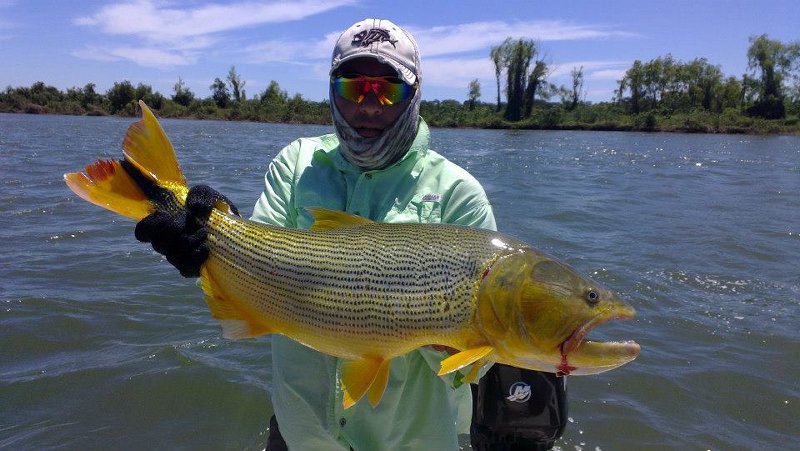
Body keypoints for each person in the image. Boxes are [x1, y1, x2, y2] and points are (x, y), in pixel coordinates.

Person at [136, 18, 566, 451]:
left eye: (388, 89)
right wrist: (205, 238)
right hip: (301, 432)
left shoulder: (459, 193)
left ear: (414, 95)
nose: (369, 105)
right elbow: (259, 262)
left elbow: (472, 370)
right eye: (353, 88)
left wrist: (455, 346)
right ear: (333, 91)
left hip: (411, 440)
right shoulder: (296, 163)